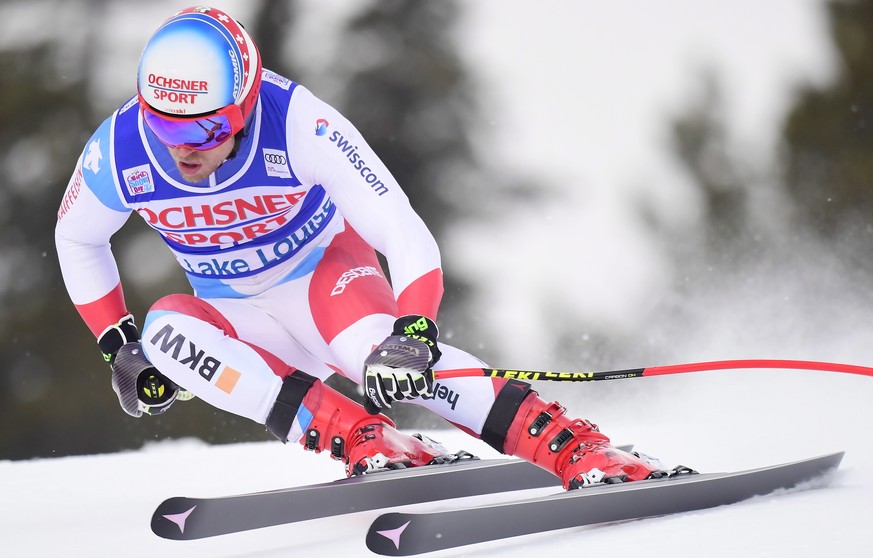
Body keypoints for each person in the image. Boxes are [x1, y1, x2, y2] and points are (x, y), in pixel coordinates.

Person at [55, 6, 666, 489]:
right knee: (163, 334)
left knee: (375, 355)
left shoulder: (297, 122)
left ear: (243, 104)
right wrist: (118, 346)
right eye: (165, 126)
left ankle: (573, 446)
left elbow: (398, 226)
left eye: (206, 127)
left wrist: (415, 329)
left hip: (327, 282)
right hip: (239, 315)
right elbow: (77, 237)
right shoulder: (119, 149)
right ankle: (362, 436)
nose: (183, 149)